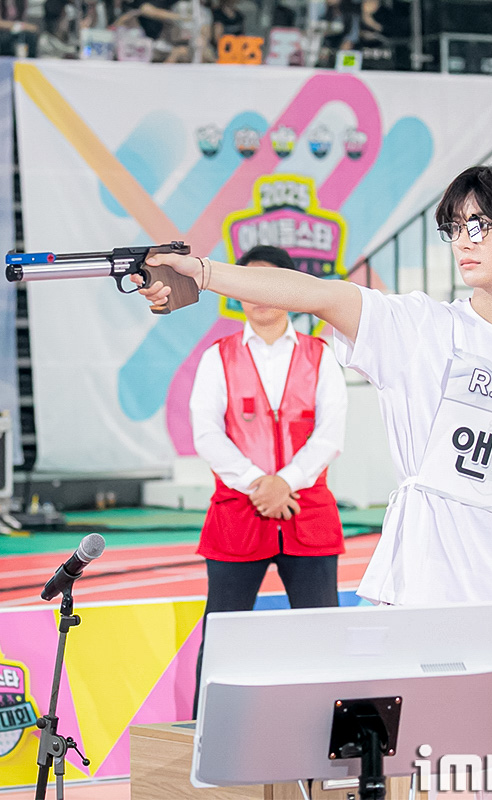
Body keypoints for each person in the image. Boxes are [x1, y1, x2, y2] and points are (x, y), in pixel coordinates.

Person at [138, 165, 492, 779]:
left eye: (479, 225)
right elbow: (315, 293)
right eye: (454, 227)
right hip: (422, 599)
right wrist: (202, 273)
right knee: (410, 780)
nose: (463, 240)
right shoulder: (419, 329)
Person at [190, 245, 346, 715]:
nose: (259, 295)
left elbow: (330, 435)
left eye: (270, 283)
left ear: (290, 289)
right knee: (222, 638)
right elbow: (206, 433)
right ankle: (205, 738)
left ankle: (329, 740)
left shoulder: (321, 355)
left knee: (323, 640)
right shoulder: (217, 357)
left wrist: (287, 482)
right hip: (238, 515)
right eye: (249, 284)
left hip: (308, 515)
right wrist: (260, 484)